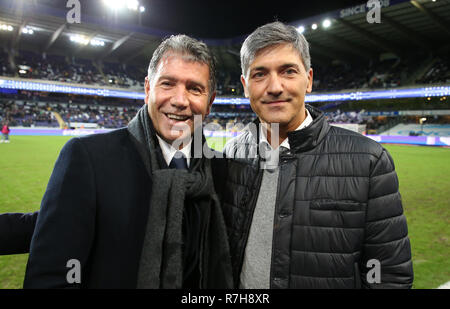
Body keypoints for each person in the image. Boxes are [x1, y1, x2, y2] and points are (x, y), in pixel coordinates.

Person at [20, 34, 233, 288]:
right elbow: (50, 278)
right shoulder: (88, 159)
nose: (179, 100)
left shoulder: (221, 170)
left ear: (210, 102)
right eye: (167, 84)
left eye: (194, 88)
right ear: (147, 89)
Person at [221, 21, 414, 289]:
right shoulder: (230, 155)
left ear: (308, 79)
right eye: (259, 74)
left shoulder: (369, 161)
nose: (274, 86)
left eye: (288, 71)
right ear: (245, 85)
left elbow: (390, 277)